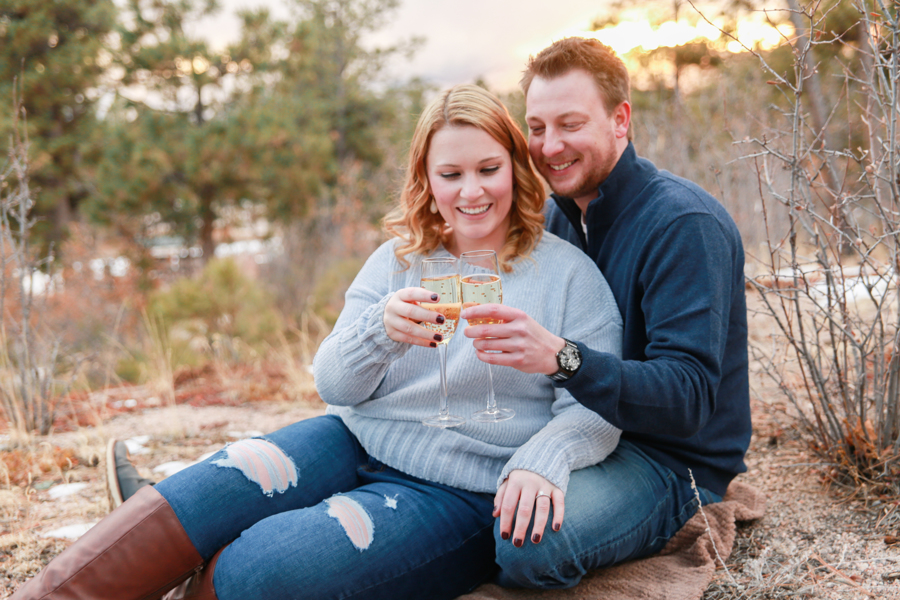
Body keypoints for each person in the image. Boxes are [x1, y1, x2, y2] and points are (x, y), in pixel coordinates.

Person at [12, 84, 624, 600]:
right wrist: (379, 332)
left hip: (462, 489)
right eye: (451, 173)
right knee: (207, 490)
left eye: (488, 169)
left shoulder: (567, 274)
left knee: (267, 566)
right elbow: (332, 382)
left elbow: (596, 407)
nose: (472, 191)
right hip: (354, 436)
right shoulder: (398, 262)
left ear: (515, 168)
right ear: (426, 180)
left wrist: (546, 460)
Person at [461, 37, 751, 589]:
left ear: (621, 120)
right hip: (574, 426)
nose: (549, 146)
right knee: (456, 488)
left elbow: (687, 396)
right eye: (538, 127)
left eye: (570, 124)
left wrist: (562, 358)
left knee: (526, 542)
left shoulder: (683, 224)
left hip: (667, 461)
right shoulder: (553, 217)